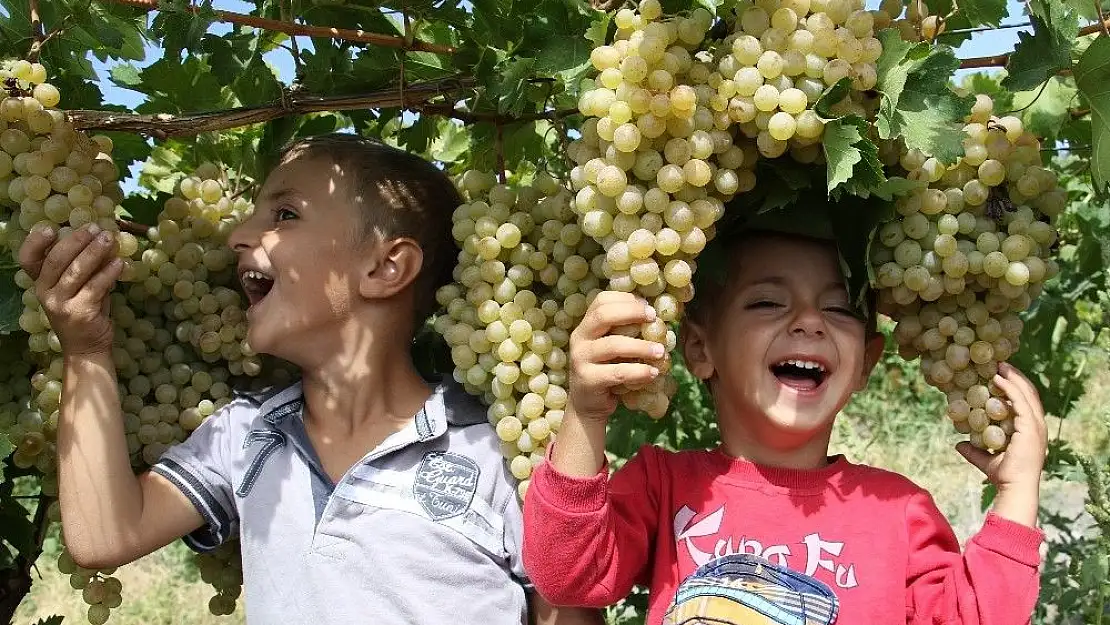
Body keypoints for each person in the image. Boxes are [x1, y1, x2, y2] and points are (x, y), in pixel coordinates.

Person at [20, 134, 602, 625]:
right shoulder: (244, 435)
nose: (238, 236)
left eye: (284, 215)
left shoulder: (496, 451)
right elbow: (103, 535)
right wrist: (86, 347)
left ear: (385, 267)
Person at [521, 221, 1047, 625]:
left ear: (865, 362)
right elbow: (568, 575)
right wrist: (585, 413)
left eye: (839, 310)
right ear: (701, 349)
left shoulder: (900, 512)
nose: (809, 322)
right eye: (768, 302)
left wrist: (1018, 489)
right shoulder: (664, 486)